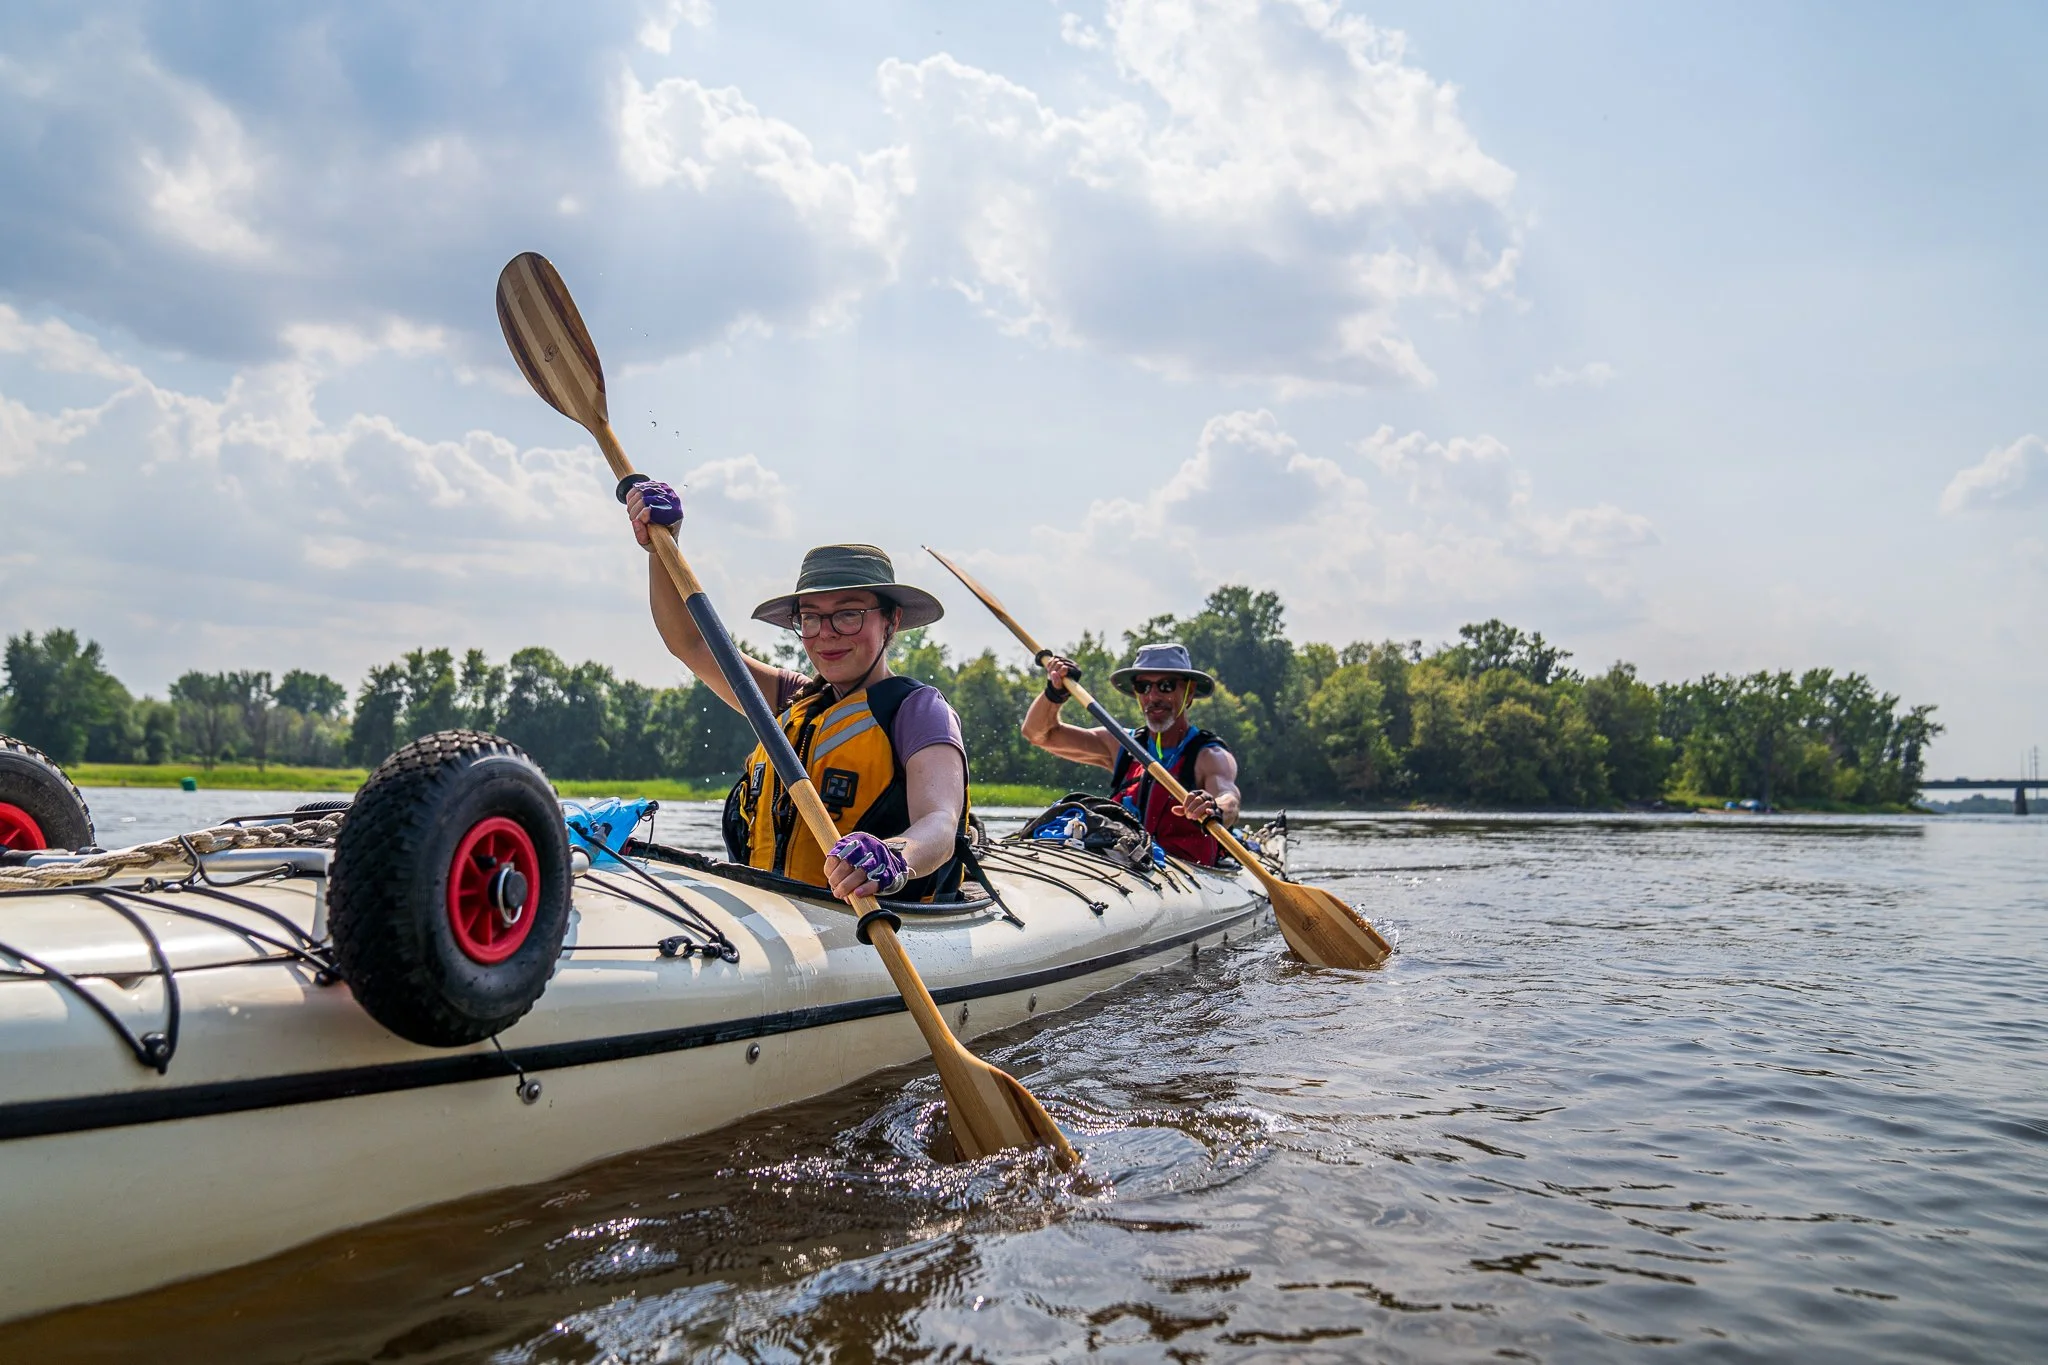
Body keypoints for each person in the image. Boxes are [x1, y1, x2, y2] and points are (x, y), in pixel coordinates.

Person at [625, 479, 968, 904]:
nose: (826, 635)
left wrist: (897, 856)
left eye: (849, 615)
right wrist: (663, 549)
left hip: (871, 918)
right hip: (774, 912)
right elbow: (690, 644)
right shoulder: (789, 697)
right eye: (810, 618)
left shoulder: (918, 710)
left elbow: (940, 822)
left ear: (892, 621)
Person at [1021, 642, 1242, 866]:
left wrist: (1213, 807)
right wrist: (1054, 692)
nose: (1153, 696)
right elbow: (1038, 734)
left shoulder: (1209, 755)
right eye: (1143, 687)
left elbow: (1229, 799)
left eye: (1166, 686)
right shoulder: (1121, 744)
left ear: (1189, 691)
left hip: (1189, 873)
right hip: (1129, 866)